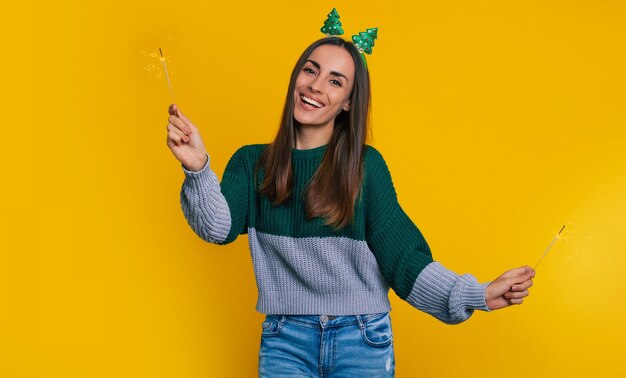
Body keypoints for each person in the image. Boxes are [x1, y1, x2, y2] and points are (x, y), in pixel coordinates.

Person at [166, 36, 535, 377]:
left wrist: (474, 293)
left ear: (347, 103)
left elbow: (403, 258)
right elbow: (217, 228)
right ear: (296, 77)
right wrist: (197, 169)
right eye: (310, 70)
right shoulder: (252, 163)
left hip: (362, 337)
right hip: (285, 337)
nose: (315, 85)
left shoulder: (364, 166)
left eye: (335, 80)